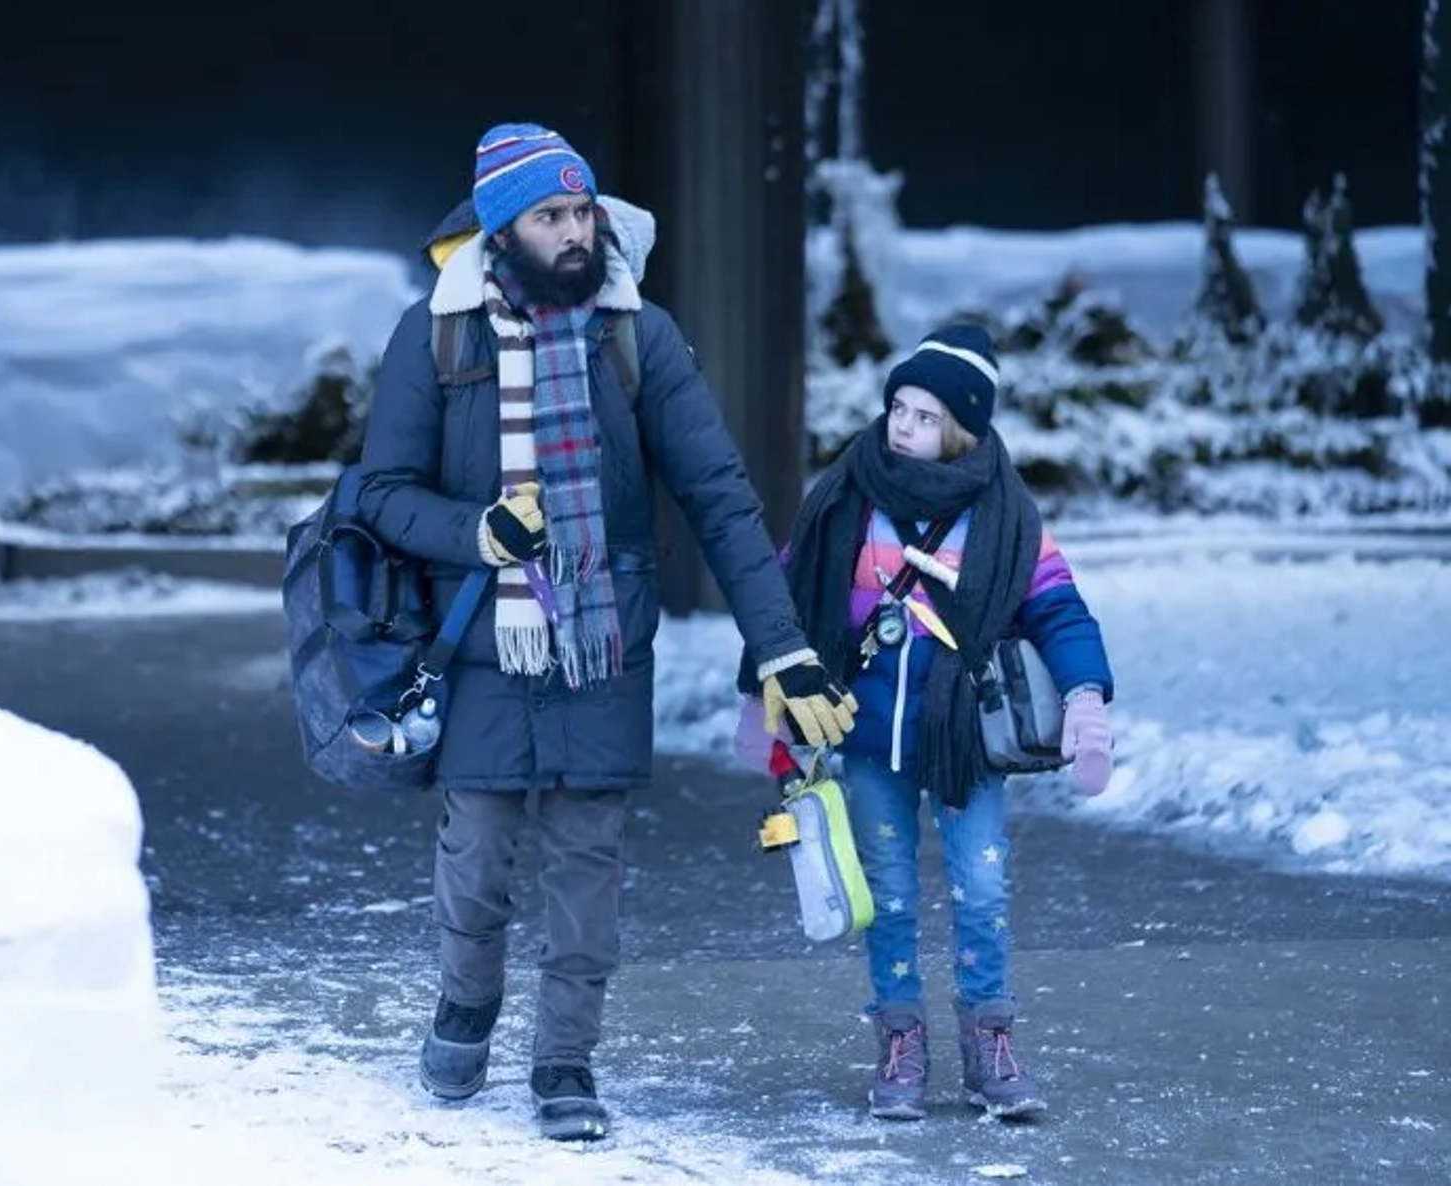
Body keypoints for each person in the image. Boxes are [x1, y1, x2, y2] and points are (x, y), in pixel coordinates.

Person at [354, 122, 859, 1141]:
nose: (576, 233)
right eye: (552, 216)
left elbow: (719, 494)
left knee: (588, 864)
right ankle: (465, 1003)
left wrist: (783, 644)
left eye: (584, 211)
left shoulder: (637, 333)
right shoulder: (437, 336)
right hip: (482, 644)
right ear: (505, 229)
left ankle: (565, 1062)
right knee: (479, 852)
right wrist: (477, 530)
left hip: (603, 643)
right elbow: (379, 496)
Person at [738, 323, 1116, 1122]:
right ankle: (900, 1041)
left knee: (982, 889)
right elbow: (786, 599)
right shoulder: (846, 496)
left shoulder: (1006, 517)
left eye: (924, 415)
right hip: (868, 737)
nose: (902, 426)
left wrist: (1085, 698)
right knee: (891, 898)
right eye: (898, 407)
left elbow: (1058, 608)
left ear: (962, 430)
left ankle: (990, 1044)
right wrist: (761, 703)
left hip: (964, 744)